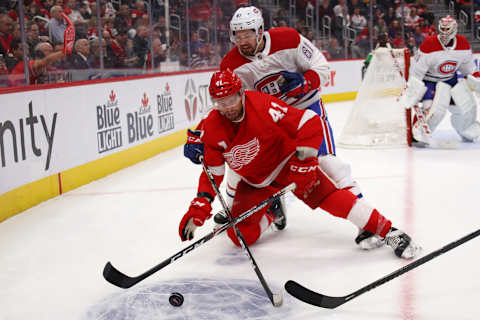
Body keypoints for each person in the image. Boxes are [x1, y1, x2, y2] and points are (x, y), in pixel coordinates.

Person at [184, 6, 379, 247]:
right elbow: (224, 102)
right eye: (237, 35)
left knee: (327, 163)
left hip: (306, 111)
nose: (242, 41)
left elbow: (323, 68)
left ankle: (367, 223)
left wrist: (304, 82)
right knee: (239, 163)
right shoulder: (231, 63)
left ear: (260, 30)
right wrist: (198, 133)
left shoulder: (288, 39)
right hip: (270, 120)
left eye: (247, 34)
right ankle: (250, 212)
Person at [179, 69, 420, 260]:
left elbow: (308, 122)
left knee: (333, 199)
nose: (227, 107)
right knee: (239, 235)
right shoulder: (211, 128)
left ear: (241, 93)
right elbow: (212, 174)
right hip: (255, 183)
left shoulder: (262, 106)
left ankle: (390, 233)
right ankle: (273, 213)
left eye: (231, 99)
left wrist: (304, 161)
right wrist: (199, 209)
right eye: (220, 102)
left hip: (287, 166)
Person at [400, 16, 480, 145]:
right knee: (433, 110)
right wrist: (413, 89)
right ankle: (419, 133)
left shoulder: (463, 44)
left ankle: (466, 130)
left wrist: (476, 80)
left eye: (447, 29)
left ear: (454, 29)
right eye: (442, 29)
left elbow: (469, 68)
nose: (444, 33)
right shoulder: (429, 44)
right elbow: (417, 71)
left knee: (464, 107)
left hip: (450, 79)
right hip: (429, 81)